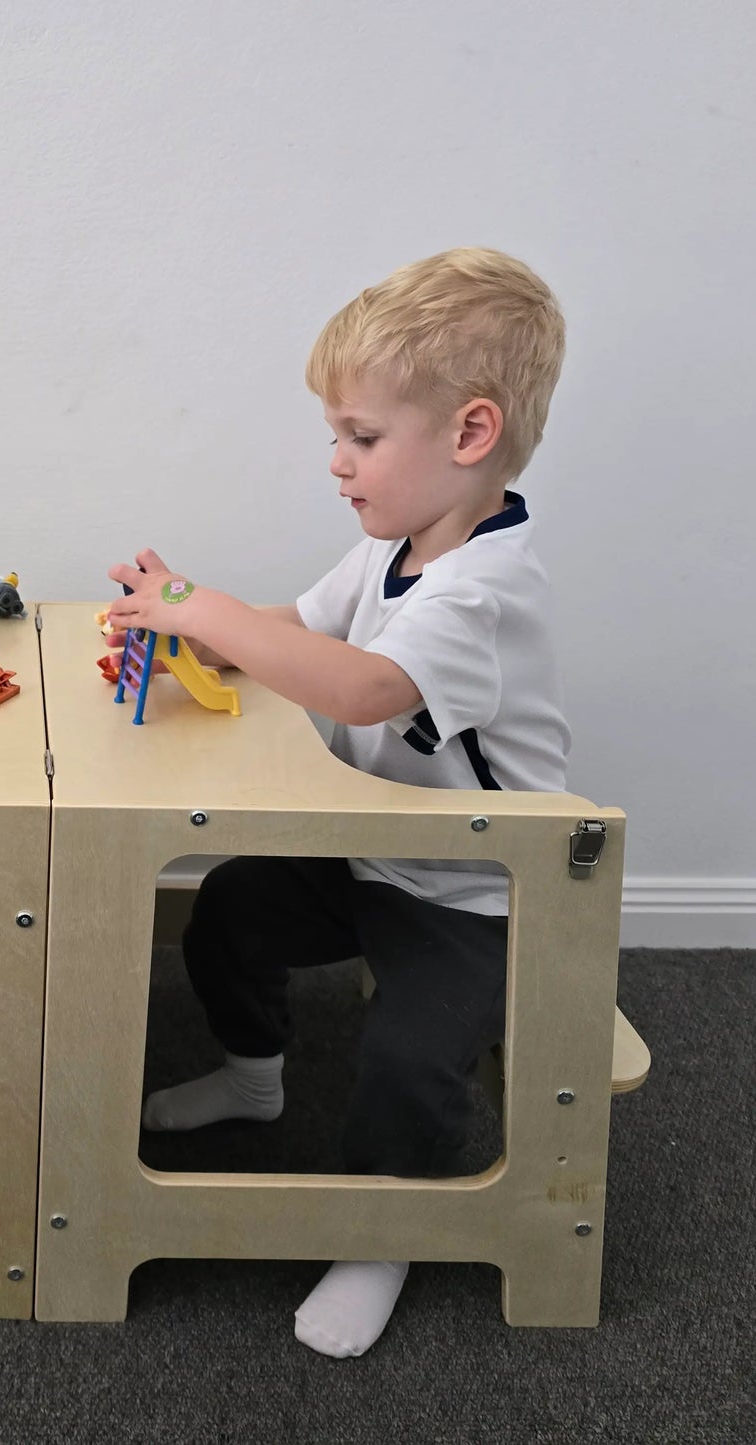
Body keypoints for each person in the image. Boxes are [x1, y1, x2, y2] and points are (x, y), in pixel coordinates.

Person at [104, 246, 570, 1358]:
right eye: (335, 435)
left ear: (467, 434)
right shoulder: (397, 547)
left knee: (409, 1059)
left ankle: (381, 1229)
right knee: (228, 910)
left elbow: (362, 684)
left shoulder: (482, 588)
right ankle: (255, 1077)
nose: (334, 462)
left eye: (359, 438)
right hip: (373, 847)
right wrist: (181, 643)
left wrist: (202, 607)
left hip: (479, 885)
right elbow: (305, 630)